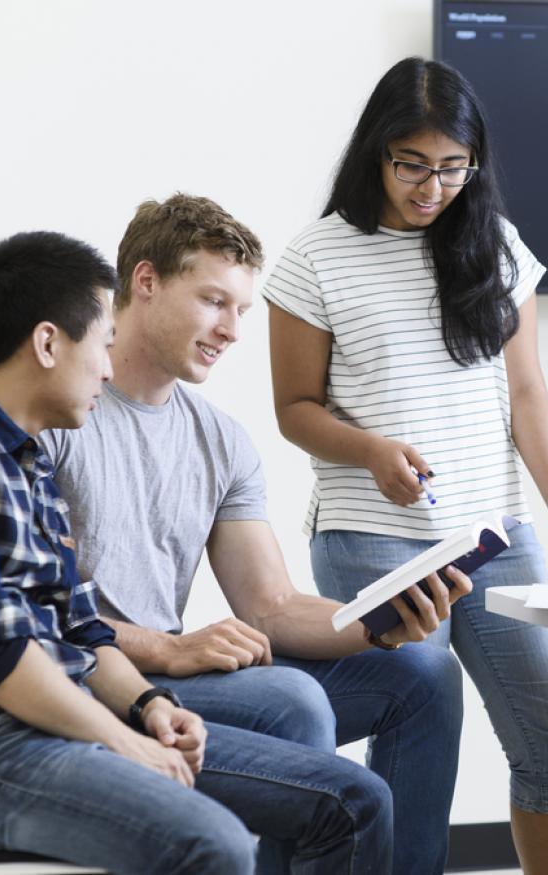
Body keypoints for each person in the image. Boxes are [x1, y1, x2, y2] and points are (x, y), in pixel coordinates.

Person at [0, 231, 394, 875]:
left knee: (355, 799)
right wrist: (123, 740)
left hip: (62, 726)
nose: (109, 369)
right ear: (48, 343)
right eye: (103, 345)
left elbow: (82, 630)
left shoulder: (25, 463)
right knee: (214, 844)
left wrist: (151, 709)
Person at [40, 193, 469, 875]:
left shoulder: (220, 440)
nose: (233, 330)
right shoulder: (57, 408)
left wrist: (382, 619)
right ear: (145, 282)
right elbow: (39, 613)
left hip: (177, 672)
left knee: (426, 673)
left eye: (241, 309)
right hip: (101, 679)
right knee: (290, 696)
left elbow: (271, 606)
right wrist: (173, 647)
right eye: (215, 301)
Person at [263, 56, 548, 875]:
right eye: (413, 166)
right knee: (421, 710)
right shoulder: (315, 258)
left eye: (453, 169)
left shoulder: (495, 245)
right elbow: (294, 409)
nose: (432, 188)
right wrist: (370, 450)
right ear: (376, 153)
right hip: (370, 534)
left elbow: (526, 393)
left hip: (494, 533)